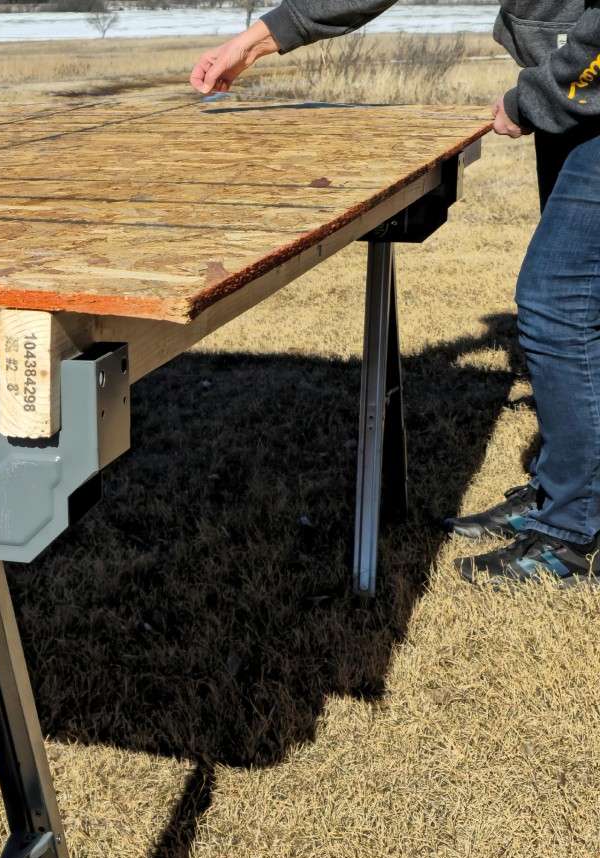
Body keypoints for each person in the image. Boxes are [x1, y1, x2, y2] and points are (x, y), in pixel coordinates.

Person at [192, 1, 600, 587]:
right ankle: (562, 491)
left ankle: (571, 536)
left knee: (558, 303)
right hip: (579, 87)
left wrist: (540, 95)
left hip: (587, 80)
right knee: (584, 305)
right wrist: (254, 41)